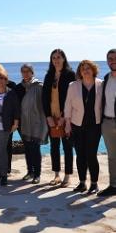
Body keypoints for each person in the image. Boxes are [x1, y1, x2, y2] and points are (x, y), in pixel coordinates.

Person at [64, 60, 103, 194]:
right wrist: (67, 125)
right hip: (77, 125)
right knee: (80, 155)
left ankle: (94, 184)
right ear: (79, 72)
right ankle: (82, 183)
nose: (85, 71)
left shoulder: (101, 84)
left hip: (95, 126)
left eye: (88, 68)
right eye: (82, 69)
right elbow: (67, 106)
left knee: (91, 155)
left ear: (93, 70)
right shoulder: (73, 85)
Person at [42, 49, 76, 187]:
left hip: (66, 117)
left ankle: (67, 176)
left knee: (67, 147)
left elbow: (72, 97)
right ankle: (56, 175)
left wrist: (64, 116)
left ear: (64, 59)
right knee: (54, 147)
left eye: (59, 57)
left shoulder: (70, 74)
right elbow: (44, 98)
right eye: (53, 57)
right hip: (52, 117)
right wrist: (48, 116)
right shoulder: (49, 75)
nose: (56, 60)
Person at [15, 64, 48, 184]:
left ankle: (37, 174)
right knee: (27, 148)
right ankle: (30, 171)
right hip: (23, 123)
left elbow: (45, 104)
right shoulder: (18, 88)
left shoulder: (39, 86)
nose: (25, 73)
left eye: (28, 71)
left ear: (32, 72)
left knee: (35, 148)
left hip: (37, 122)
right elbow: (15, 106)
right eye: (23, 71)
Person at [98, 49, 116, 197]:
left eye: (115, 58)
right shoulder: (106, 78)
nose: (113, 60)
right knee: (112, 157)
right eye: (110, 58)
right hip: (108, 123)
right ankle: (113, 185)